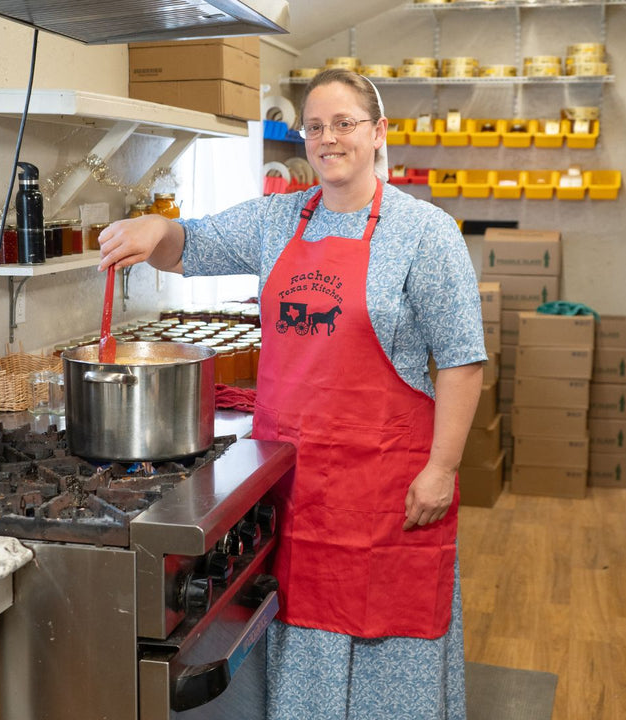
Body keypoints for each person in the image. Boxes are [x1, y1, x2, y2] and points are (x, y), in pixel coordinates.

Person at [98, 68, 486, 719]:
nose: (328, 138)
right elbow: (191, 242)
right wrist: (153, 233)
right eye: (315, 126)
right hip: (297, 491)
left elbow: (462, 362)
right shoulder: (276, 221)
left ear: (378, 132)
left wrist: (442, 469)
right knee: (293, 645)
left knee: (388, 660)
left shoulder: (426, 234)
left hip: (389, 492)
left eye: (345, 123)